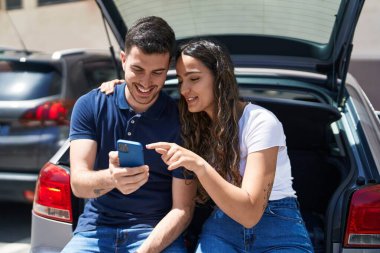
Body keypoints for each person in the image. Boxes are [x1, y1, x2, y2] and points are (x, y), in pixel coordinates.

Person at [100, 39, 314, 252]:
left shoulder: (261, 122)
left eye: (194, 78)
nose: (185, 89)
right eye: (181, 80)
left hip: (277, 224)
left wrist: (199, 165)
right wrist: (123, 87)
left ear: (219, 78)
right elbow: (144, 99)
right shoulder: (192, 124)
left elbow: (250, 214)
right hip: (222, 226)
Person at [61, 16, 196, 253]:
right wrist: (112, 178)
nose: (146, 82)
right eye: (137, 69)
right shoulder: (90, 105)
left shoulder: (182, 120)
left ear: (169, 70)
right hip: (94, 232)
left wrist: (146, 250)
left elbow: (183, 209)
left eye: (157, 72)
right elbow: (79, 184)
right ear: (123, 60)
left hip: (155, 235)